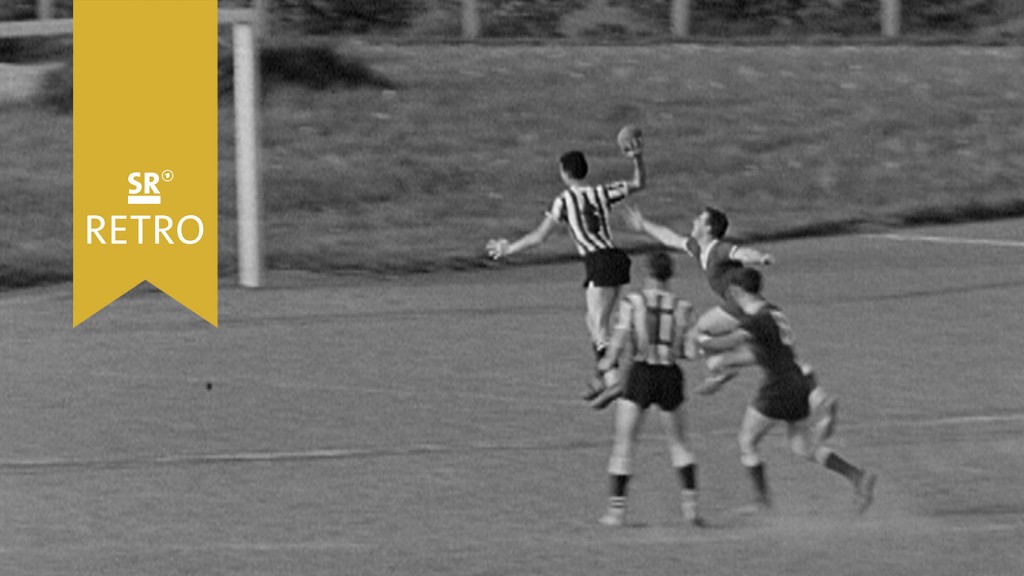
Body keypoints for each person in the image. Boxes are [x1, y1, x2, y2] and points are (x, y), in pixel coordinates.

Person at [697, 267, 875, 514]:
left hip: (778, 387)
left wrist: (700, 341)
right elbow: (760, 354)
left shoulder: (755, 320)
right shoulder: (775, 312)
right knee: (802, 446)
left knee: (747, 441)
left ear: (737, 291)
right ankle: (857, 476)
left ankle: (761, 501)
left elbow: (728, 342)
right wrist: (725, 363)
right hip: (798, 381)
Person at [487, 136, 645, 403]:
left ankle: (613, 380)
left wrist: (508, 249)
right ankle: (602, 377)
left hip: (598, 262)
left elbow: (539, 237)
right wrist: (637, 158)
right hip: (617, 258)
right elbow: (639, 183)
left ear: (564, 173)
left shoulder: (564, 201)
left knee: (599, 327)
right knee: (597, 322)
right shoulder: (601, 192)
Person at [594, 251, 703, 527]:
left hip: (640, 374)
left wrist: (604, 369)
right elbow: (688, 352)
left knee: (624, 444)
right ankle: (690, 508)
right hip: (669, 376)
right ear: (670, 275)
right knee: (679, 443)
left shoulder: (632, 302)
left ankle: (616, 513)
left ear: (647, 274)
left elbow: (617, 343)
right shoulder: (683, 307)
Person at [625, 205, 774, 387]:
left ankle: (729, 363)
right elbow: (671, 239)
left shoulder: (719, 249)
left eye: (700, 220)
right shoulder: (698, 248)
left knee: (699, 331)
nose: (694, 221)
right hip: (743, 305)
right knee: (706, 335)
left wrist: (761, 258)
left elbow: (741, 253)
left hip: (741, 304)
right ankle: (723, 365)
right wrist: (643, 225)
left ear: (709, 229)